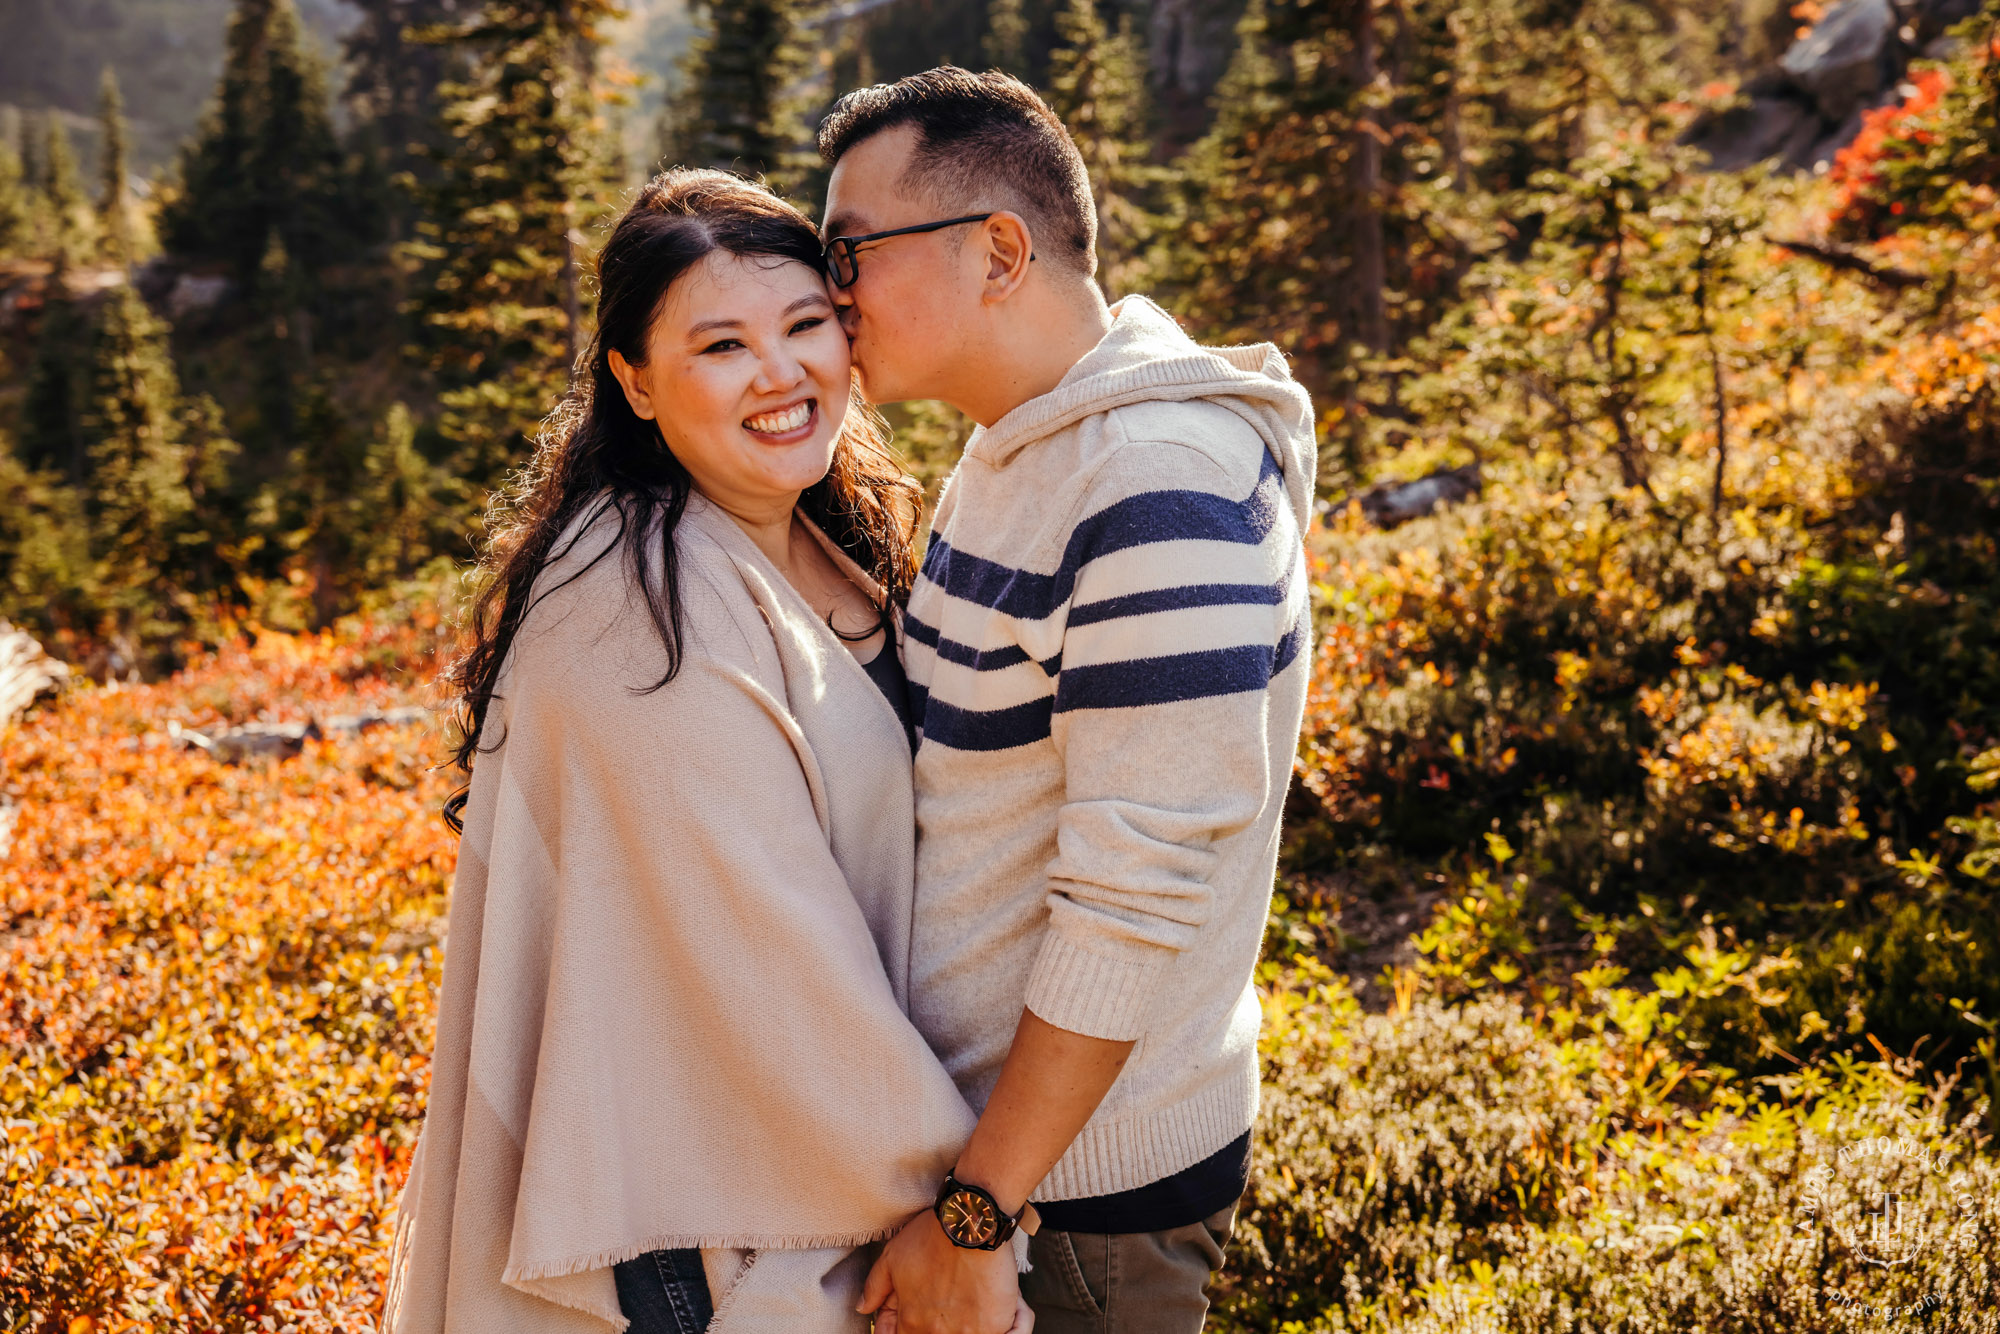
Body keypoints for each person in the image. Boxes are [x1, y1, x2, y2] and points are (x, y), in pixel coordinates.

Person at [380, 169, 1031, 1334]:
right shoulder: (633, 616)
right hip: (707, 1251)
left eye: (802, 325)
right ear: (633, 379)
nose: (781, 374)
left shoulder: (811, 546)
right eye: (721, 345)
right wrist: (967, 1205)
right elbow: (774, 971)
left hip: (801, 1202)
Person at [817, 68, 1318, 1334]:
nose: (829, 294)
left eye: (848, 251)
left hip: (1075, 1205)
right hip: (1010, 1168)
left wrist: (980, 1210)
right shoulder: (1023, 444)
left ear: (996, 251)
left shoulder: (1153, 484)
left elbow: (1133, 893)